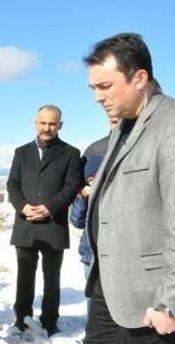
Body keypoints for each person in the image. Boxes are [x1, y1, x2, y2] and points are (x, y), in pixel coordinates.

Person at [78, 32, 175, 344]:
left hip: (152, 295)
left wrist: (172, 302)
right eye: (93, 88)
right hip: (109, 285)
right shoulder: (121, 126)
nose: (98, 96)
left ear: (139, 77)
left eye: (106, 86)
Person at [6, 105, 81, 337]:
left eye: (52, 123)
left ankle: (50, 320)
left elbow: (71, 187)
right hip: (26, 224)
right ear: (35, 123)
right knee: (24, 276)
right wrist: (23, 207)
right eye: (43, 122)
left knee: (52, 277)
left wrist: (49, 209)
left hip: (53, 225)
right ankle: (22, 318)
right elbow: (13, 184)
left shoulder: (70, 153)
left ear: (60, 125)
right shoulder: (21, 152)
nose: (47, 127)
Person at [69, 117, 117, 283]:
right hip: (92, 252)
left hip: (124, 255)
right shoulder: (95, 150)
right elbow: (77, 221)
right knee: (94, 304)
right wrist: (83, 196)